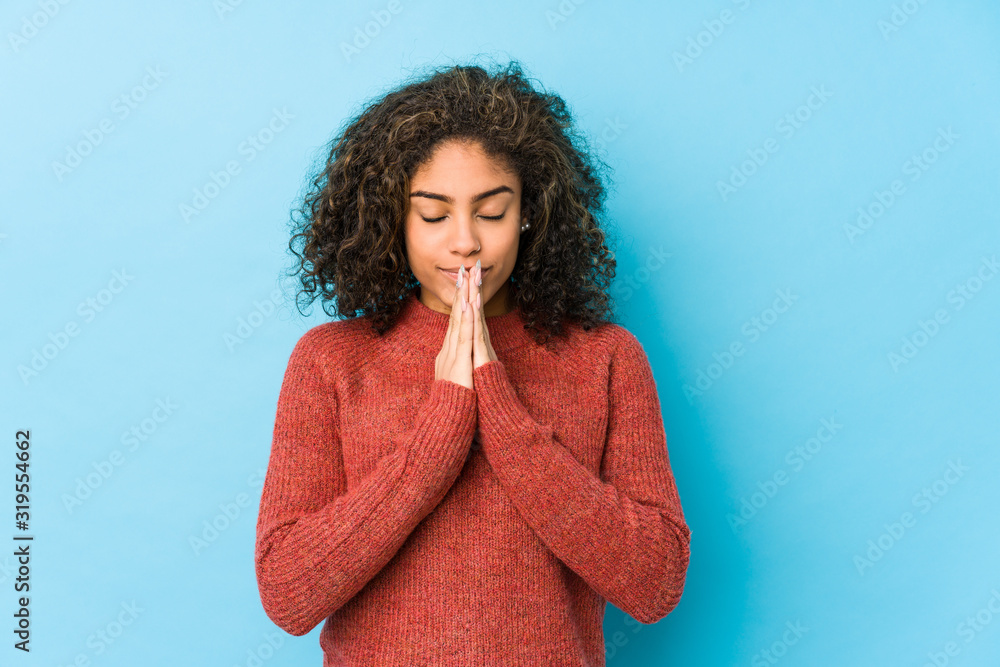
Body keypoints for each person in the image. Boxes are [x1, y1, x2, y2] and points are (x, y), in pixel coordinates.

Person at [254, 59, 691, 666]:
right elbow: (288, 592)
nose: (465, 241)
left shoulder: (607, 358)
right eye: (433, 214)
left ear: (529, 214)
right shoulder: (331, 361)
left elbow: (654, 584)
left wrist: (504, 414)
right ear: (394, 220)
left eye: (491, 212)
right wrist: (442, 429)